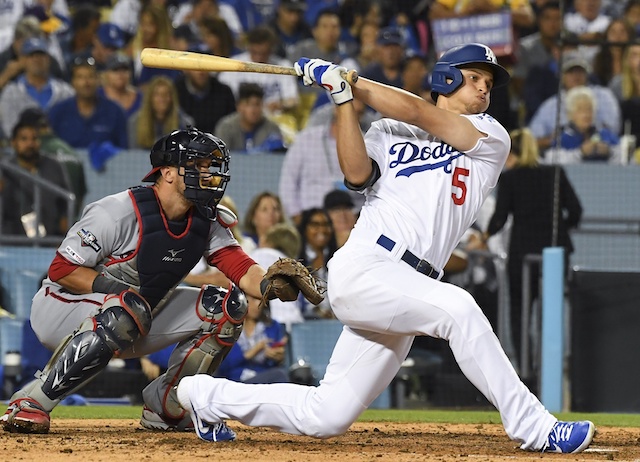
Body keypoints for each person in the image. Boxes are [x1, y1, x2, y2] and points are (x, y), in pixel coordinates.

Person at [175, 43, 596, 453]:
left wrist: (350, 81)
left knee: (327, 415)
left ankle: (203, 395)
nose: (484, 89)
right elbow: (356, 175)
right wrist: (342, 99)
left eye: (487, 82)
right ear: (445, 79)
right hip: (368, 265)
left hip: (410, 284)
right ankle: (536, 428)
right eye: (473, 79)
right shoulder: (386, 130)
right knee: (460, 309)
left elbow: (417, 110)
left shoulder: (490, 136)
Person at [0, 126, 314, 437]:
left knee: (226, 307)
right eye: (197, 165)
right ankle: (31, 401)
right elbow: (61, 269)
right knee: (127, 308)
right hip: (60, 310)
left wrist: (269, 284)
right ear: (167, 173)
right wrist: (120, 292)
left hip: (135, 315)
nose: (207, 174)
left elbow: (240, 266)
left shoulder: (206, 220)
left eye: (209, 166)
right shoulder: (117, 212)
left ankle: (167, 405)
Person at [484, 128, 583, 377]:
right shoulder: (555, 174)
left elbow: (499, 219)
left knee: (520, 315)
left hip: (522, 257)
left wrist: (484, 236)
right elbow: (576, 210)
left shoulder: (510, 179)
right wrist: (561, 229)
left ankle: (526, 375)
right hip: (555, 254)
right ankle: (550, 371)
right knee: (550, 313)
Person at [0, 118, 71, 238]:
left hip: (49, 240)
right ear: (13, 143)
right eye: (24, 139)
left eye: (34, 139)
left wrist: (65, 234)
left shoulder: (53, 166)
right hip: (12, 241)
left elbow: (65, 202)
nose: (30, 144)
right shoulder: (4, 169)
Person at [0, 36, 74, 140]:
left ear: (48, 59)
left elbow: (72, 126)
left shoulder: (66, 92)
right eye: (31, 55)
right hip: (24, 151)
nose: (37, 59)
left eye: (41, 55)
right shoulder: (11, 93)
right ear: (23, 60)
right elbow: (10, 130)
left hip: (60, 149)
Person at [48, 56, 128, 150]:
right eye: (80, 77)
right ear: (72, 82)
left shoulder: (115, 112)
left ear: (99, 80)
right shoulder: (58, 112)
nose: (86, 82)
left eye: (90, 76)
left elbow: (124, 151)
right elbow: (49, 149)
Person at [215, 293, 289, 384]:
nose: (258, 304)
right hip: (235, 382)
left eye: (260, 300)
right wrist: (252, 352)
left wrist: (277, 357)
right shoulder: (227, 328)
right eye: (254, 299)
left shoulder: (273, 326)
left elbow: (275, 364)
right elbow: (222, 367)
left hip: (262, 378)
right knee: (279, 375)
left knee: (280, 375)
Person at [546, 86, 621, 164]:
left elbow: (625, 158)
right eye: (580, 110)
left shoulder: (605, 134)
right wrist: (580, 153)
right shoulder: (563, 137)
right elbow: (551, 160)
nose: (586, 114)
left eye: (589, 109)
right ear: (570, 114)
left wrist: (609, 152)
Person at [213, 82, 285, 153]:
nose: (253, 110)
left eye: (257, 104)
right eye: (248, 104)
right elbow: (220, 158)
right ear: (239, 106)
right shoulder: (226, 127)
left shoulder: (272, 128)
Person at [128, 75, 194, 149]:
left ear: (172, 98)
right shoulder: (135, 122)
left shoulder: (185, 123)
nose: (162, 98)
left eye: (166, 94)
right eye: (157, 94)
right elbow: (134, 154)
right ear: (150, 98)